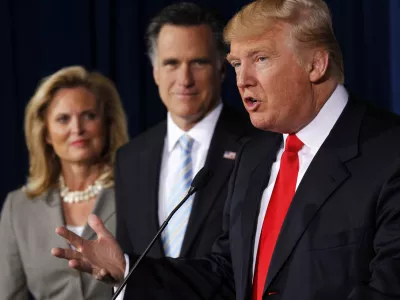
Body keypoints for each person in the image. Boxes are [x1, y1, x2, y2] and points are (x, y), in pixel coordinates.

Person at [52, 0, 400, 299]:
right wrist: (126, 268)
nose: (242, 79)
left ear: (315, 64)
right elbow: (223, 276)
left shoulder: (389, 153)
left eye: (260, 59)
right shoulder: (254, 156)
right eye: (236, 64)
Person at [115, 1, 259, 265]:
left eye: (198, 63)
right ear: (156, 72)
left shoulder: (259, 144)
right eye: (171, 63)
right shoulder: (129, 158)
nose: (185, 79)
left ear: (222, 69)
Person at [0, 66, 129, 300]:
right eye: (63, 119)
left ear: (107, 124)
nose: (77, 129)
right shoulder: (17, 207)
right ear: (46, 133)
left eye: (89, 116)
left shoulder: (135, 190)